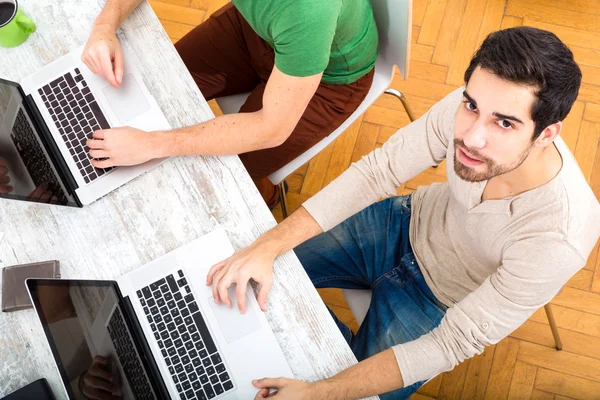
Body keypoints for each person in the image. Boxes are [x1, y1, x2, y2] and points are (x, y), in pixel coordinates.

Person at [206, 27, 600, 399]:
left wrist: (317, 391)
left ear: (547, 134)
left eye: (505, 123)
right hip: (401, 222)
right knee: (235, 280)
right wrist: (267, 244)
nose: (471, 136)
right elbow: (381, 170)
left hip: (439, 305)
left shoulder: (559, 236)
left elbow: (453, 341)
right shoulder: (474, 108)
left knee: (332, 387)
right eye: (471, 105)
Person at [81, 0, 378, 208]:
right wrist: (105, 26)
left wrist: (154, 144)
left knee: (213, 178)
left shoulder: (309, 9)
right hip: (255, 29)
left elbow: (270, 128)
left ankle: (264, 194)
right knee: (152, 92)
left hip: (327, 82)